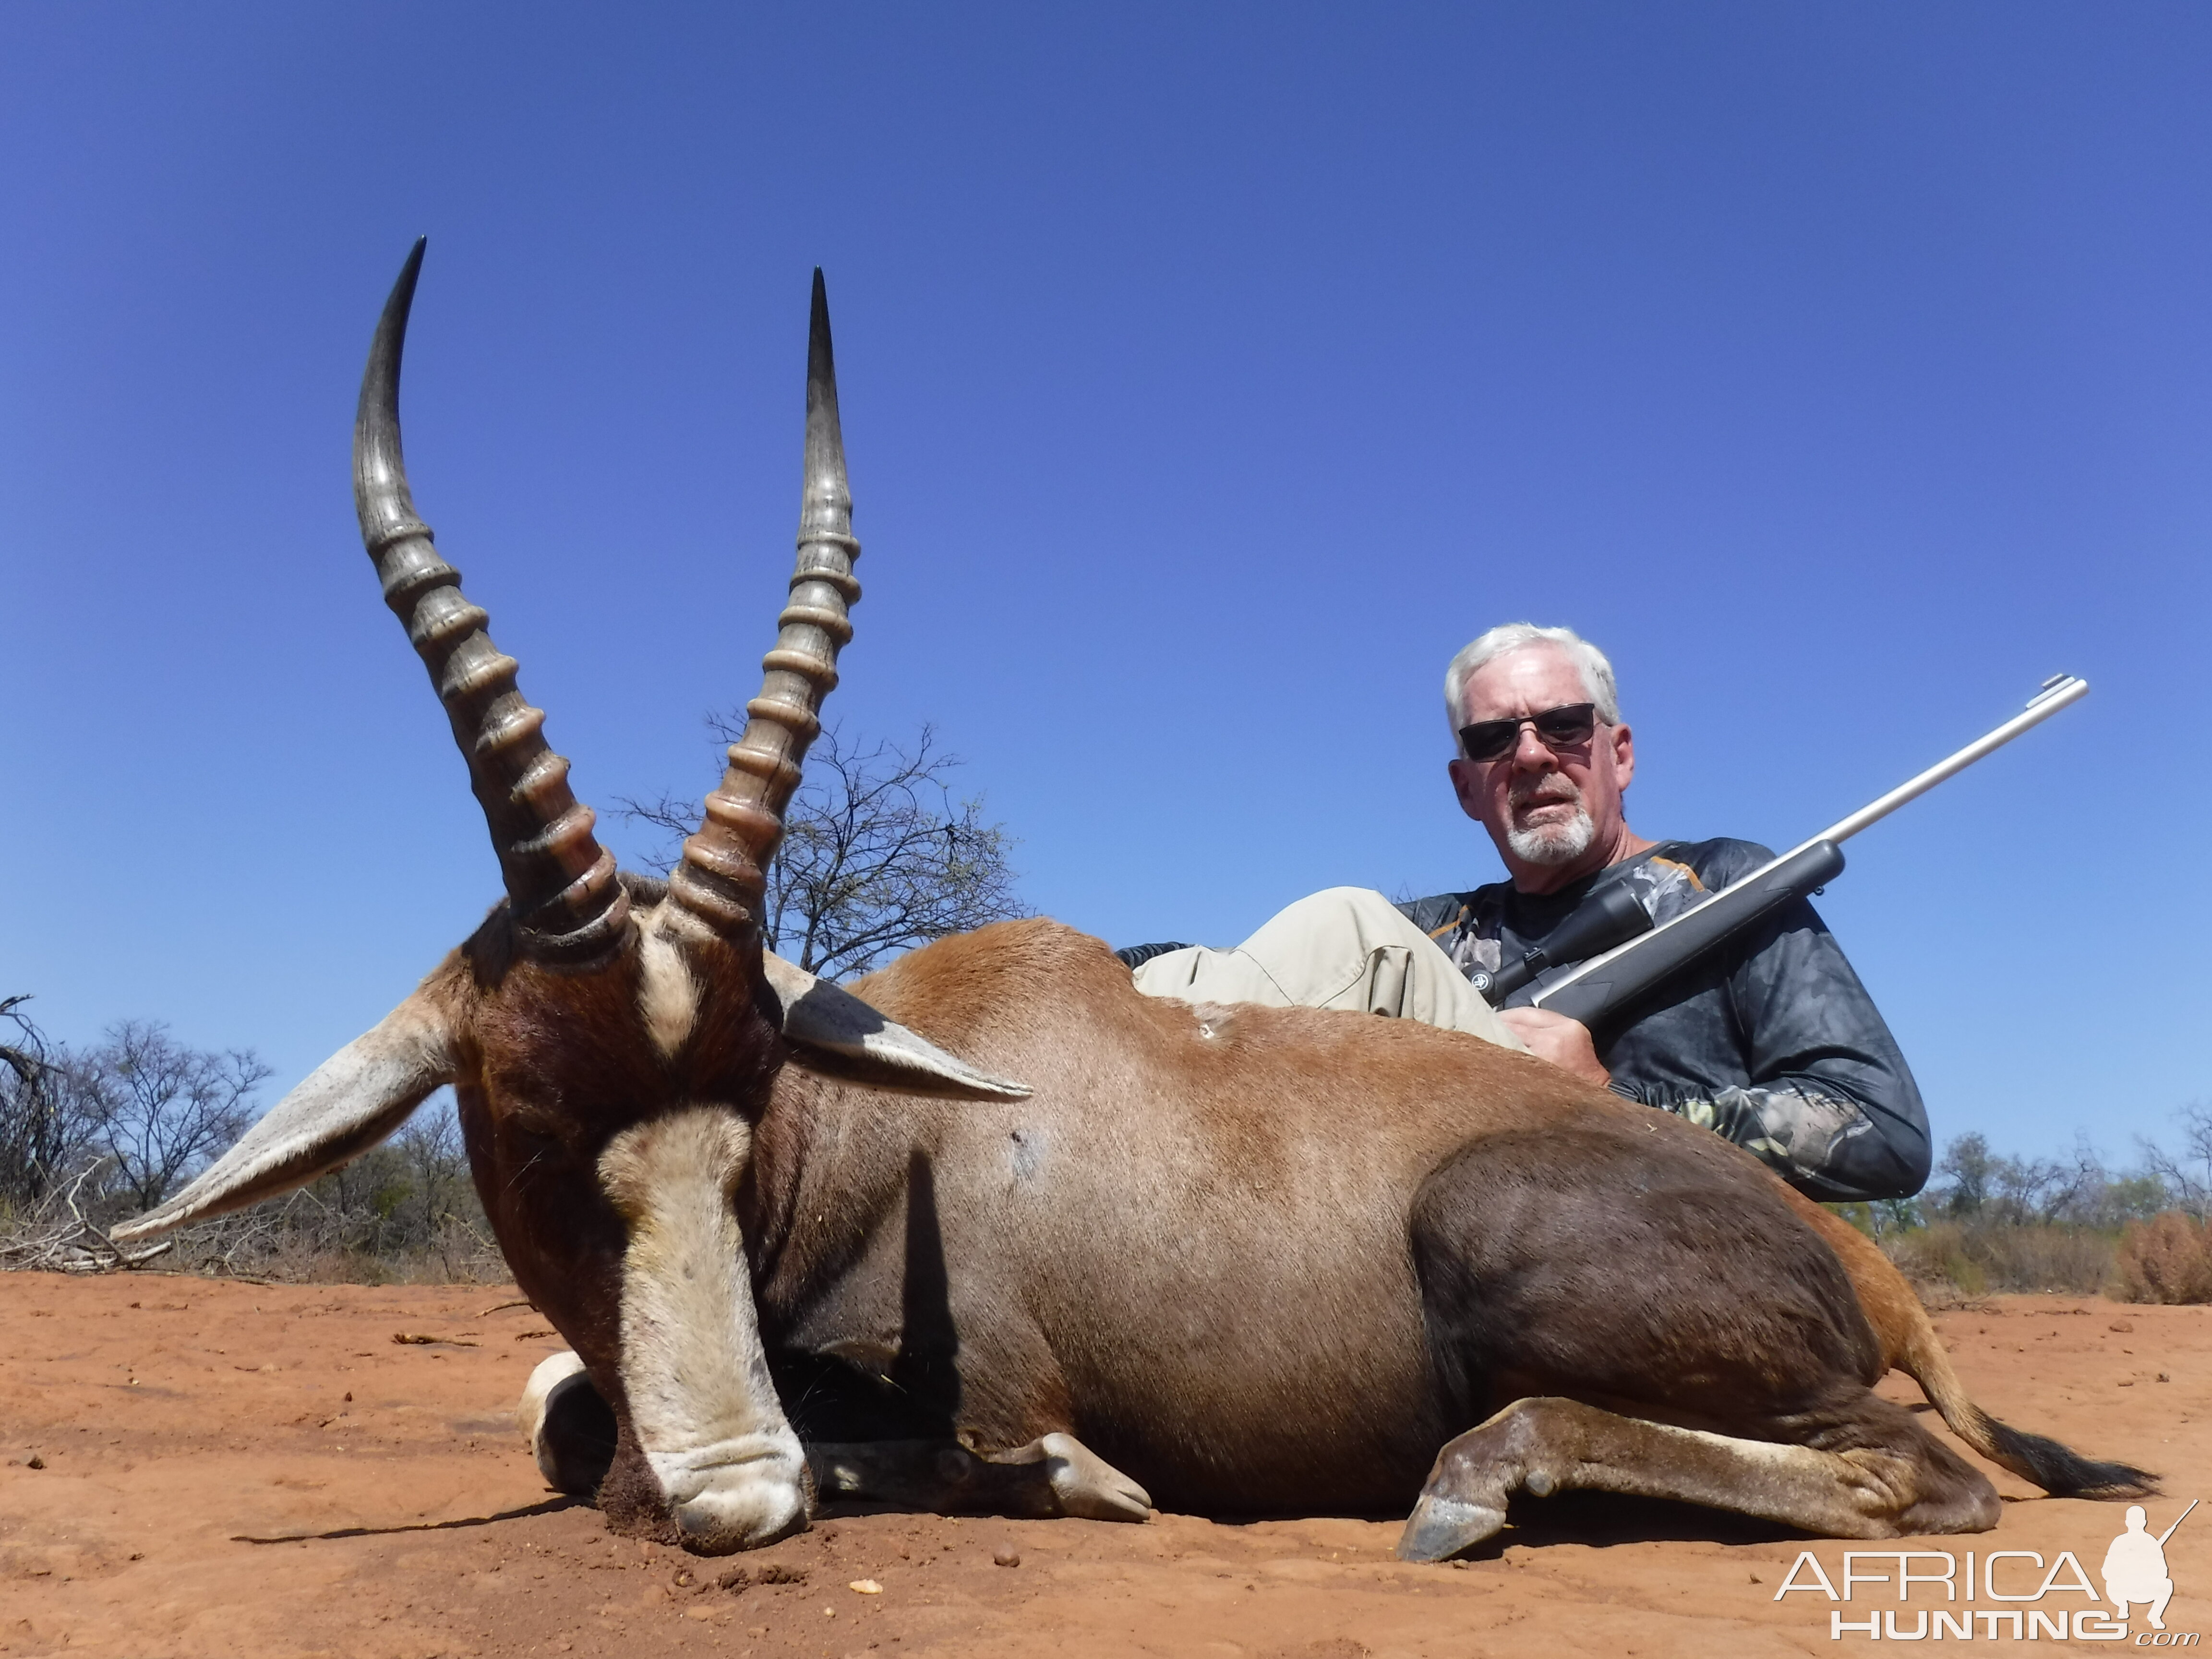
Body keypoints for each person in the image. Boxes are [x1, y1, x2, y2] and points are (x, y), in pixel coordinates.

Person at [1124, 622, 1930, 1204]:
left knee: (1349, 923)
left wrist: (1612, 1104)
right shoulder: (1439, 933)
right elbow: (1245, 975)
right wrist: (1101, 968)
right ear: (1466, 786)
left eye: (1565, 724)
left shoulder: (1723, 881)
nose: (1532, 754)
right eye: (1493, 740)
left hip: (1668, 1244)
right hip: (1472, 1264)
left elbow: (1881, 1129)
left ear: (1619, 752)